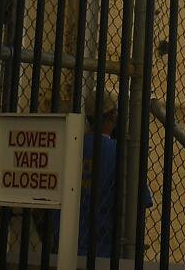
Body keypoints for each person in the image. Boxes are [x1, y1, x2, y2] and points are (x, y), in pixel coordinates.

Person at [76, 92, 151, 260]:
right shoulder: (119, 153)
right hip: (106, 248)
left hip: (68, 243)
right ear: (112, 116)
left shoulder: (73, 146)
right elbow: (143, 200)